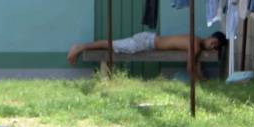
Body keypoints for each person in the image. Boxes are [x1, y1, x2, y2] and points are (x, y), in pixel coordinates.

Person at [67, 31, 227, 80]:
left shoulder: (197, 41)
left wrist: (200, 76)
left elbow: (194, 66)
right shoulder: (196, 44)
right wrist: (203, 82)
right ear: (210, 37)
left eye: (215, 47)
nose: (212, 46)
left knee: (115, 45)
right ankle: (80, 47)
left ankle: (81, 47)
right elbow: (190, 68)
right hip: (146, 43)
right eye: (213, 42)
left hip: (149, 40)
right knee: (114, 45)